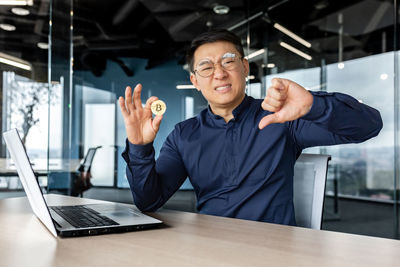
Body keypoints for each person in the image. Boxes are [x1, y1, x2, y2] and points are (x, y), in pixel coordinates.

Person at [119, 29, 382, 226]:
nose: (219, 73)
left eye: (228, 61)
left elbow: (368, 126)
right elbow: (149, 201)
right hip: (210, 248)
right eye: (206, 67)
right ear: (195, 81)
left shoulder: (281, 117)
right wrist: (140, 147)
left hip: (273, 249)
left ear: (245, 68)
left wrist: (314, 104)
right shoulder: (183, 135)